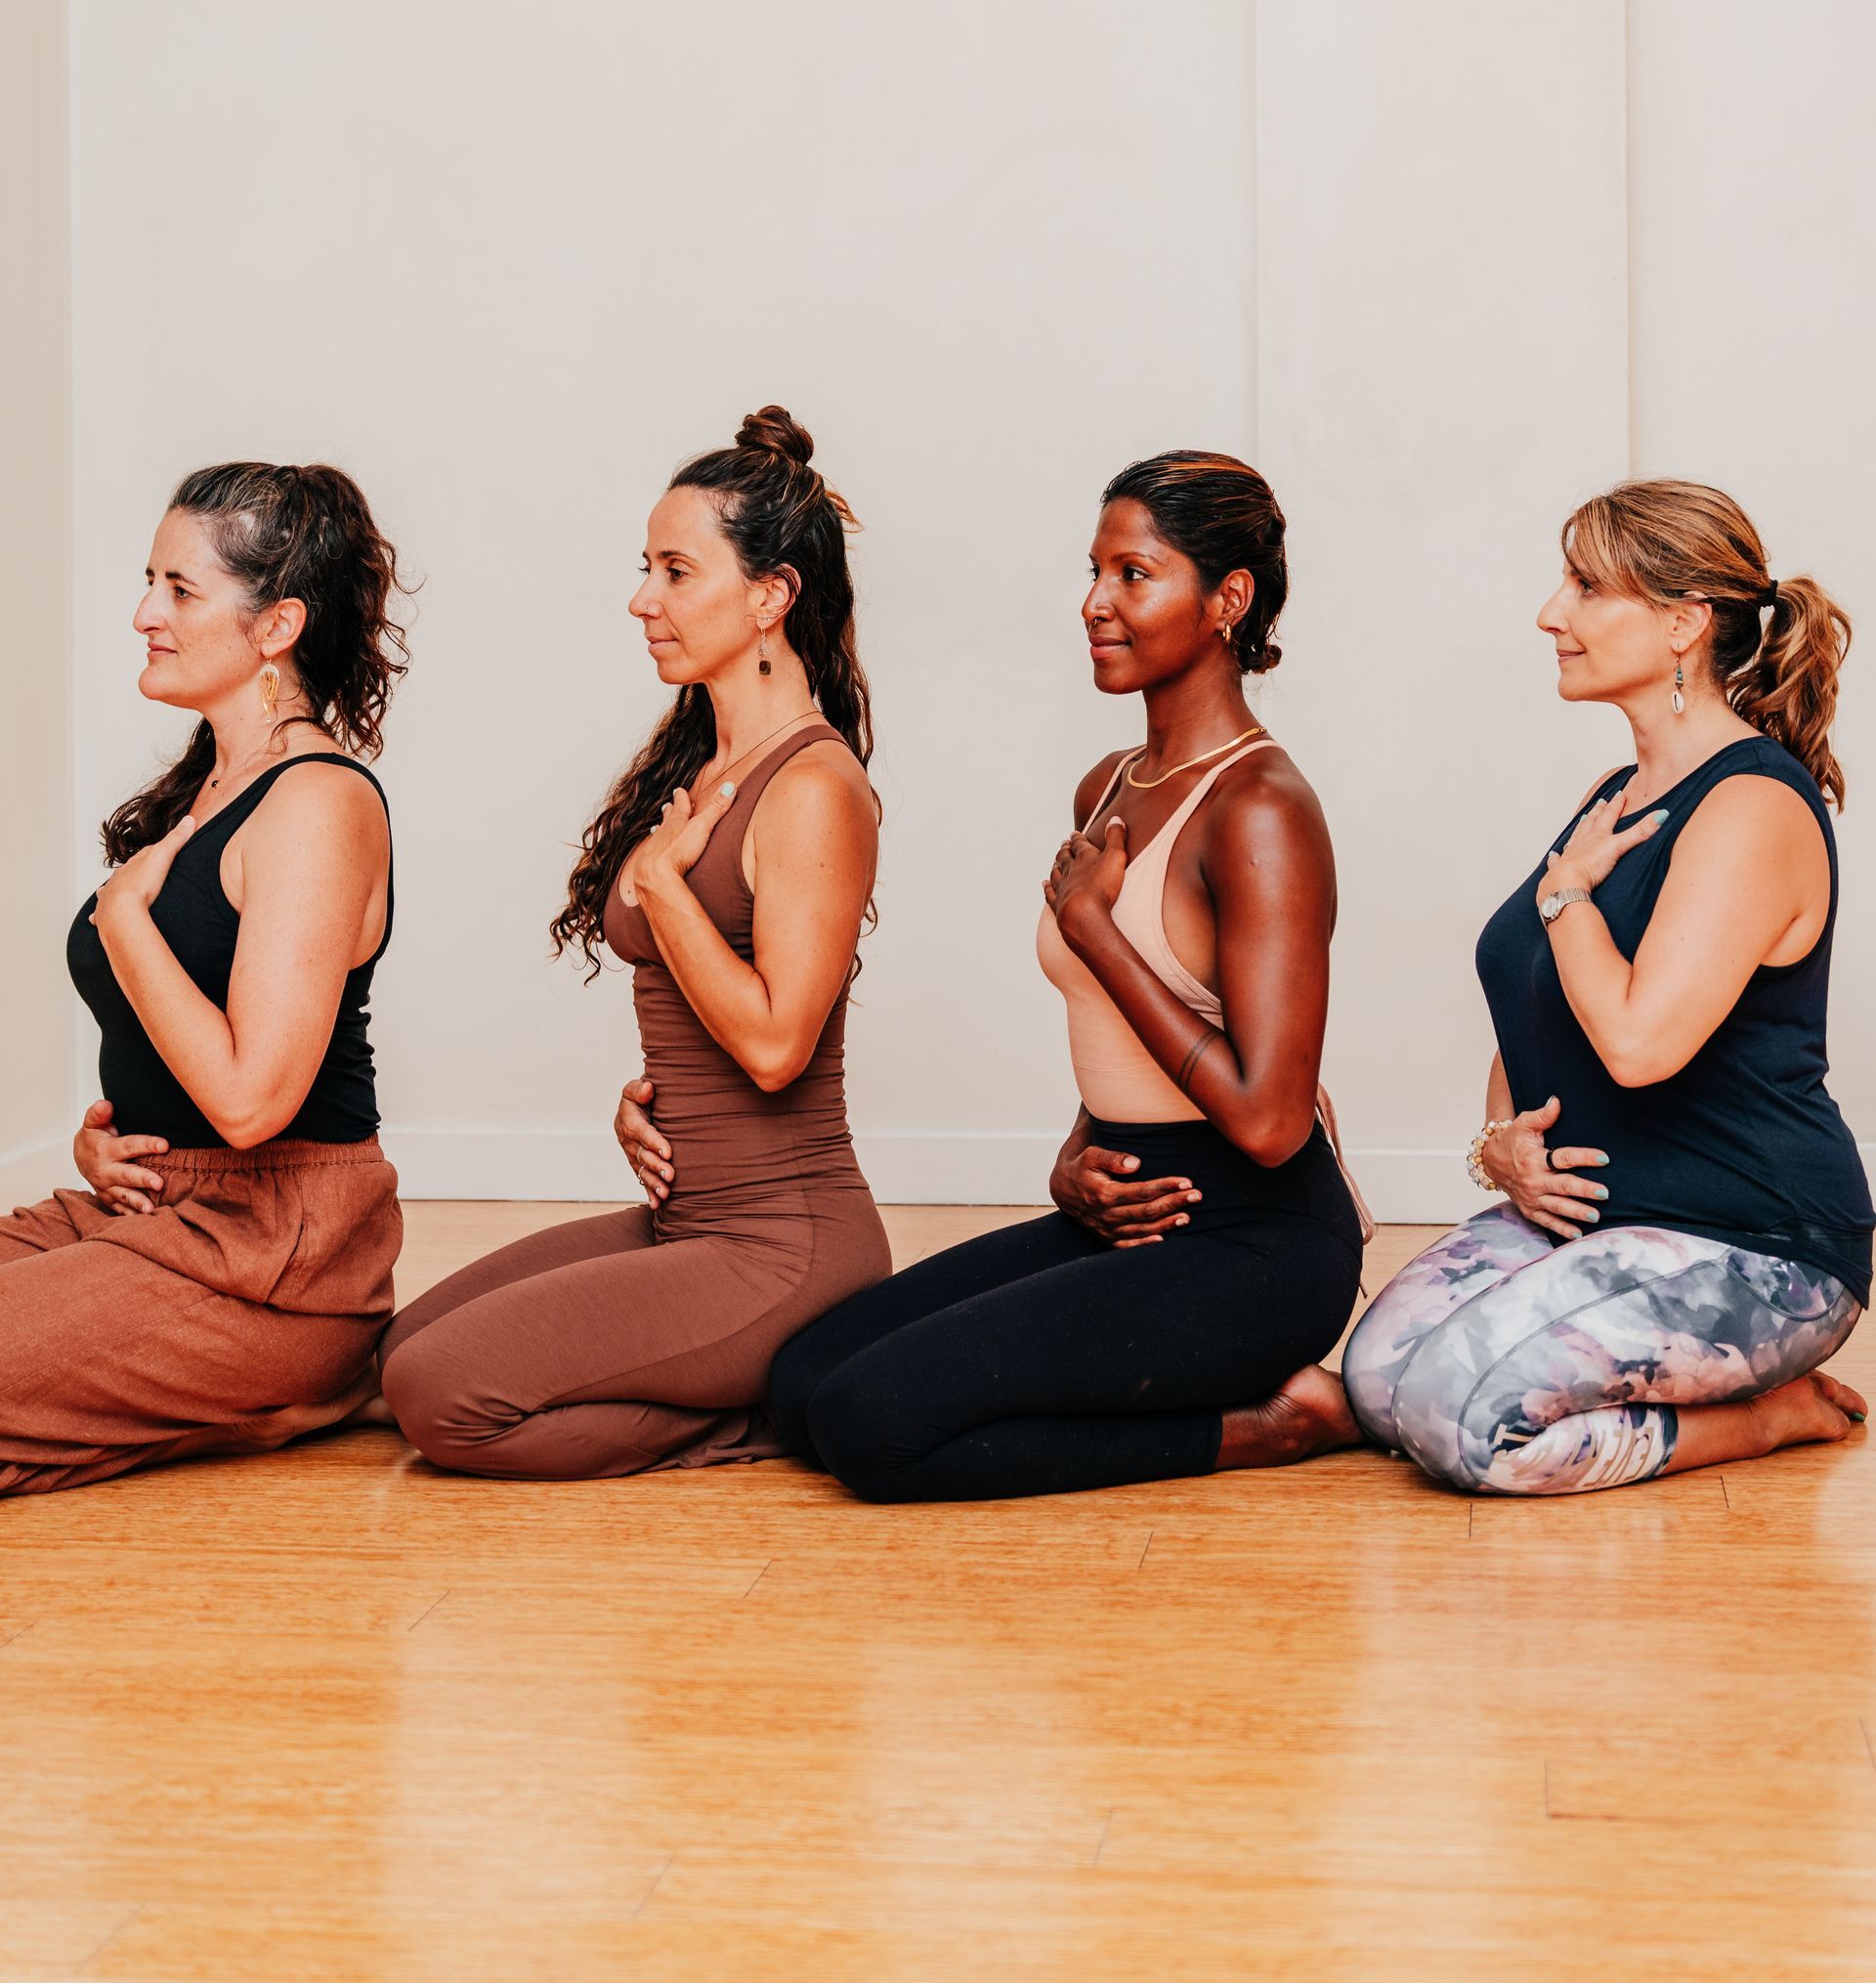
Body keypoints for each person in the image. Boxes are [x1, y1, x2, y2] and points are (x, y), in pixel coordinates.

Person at [767, 450, 1372, 1503]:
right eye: (1095, 572)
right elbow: (1124, 1035)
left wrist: (1096, 929)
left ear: (1228, 599)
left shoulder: (1262, 810)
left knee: (872, 1426)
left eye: (1134, 575)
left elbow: (1273, 1120)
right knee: (803, 1383)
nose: (1096, 602)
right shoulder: (1111, 785)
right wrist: (1078, 1149)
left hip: (1255, 1244)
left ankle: (1271, 1426)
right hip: (1128, 1211)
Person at [380, 408, 889, 1480]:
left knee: (442, 1400)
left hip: (783, 1247)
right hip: (687, 1214)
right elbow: (708, 1014)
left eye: (674, 570)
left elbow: (774, 1046)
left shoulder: (813, 788)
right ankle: (736, 1380)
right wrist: (654, 1095)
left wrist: (659, 884)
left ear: (769, 597)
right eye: (644, 567)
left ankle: (773, 1413)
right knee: (401, 1355)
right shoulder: (704, 769)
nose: (641, 598)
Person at [1343, 478, 1870, 1494]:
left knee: (1463, 1423)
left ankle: (1763, 1420)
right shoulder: (1615, 797)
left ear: (1684, 624)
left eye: (1588, 587)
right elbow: (1537, 996)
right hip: (1602, 1218)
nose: (1553, 612)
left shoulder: (1751, 806)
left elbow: (1638, 1043)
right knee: (1379, 1382)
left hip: (1753, 1241)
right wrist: (1501, 1142)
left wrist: (1569, 899)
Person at [0, 462, 406, 1497]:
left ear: (276, 628)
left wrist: (124, 918)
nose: (145, 612)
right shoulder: (210, 786)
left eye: (180, 590)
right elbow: (174, 1064)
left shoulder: (317, 802)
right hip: (152, 1212)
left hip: (270, 1258)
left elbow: (249, 1100)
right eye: (151, 580)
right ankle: (226, 1407)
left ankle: (290, 1383)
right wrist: (111, 1136)